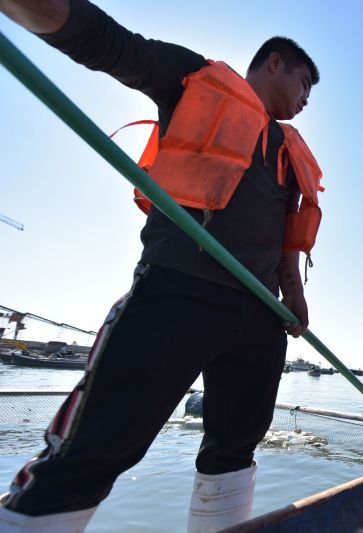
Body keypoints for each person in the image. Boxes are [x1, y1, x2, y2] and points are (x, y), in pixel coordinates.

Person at [0, 1, 322, 531]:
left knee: (235, 449)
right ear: (275, 63)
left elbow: (288, 233)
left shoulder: (290, 152)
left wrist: (295, 295)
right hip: (179, 291)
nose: (309, 99)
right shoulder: (194, 79)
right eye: (305, 82)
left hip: (261, 317)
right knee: (98, 445)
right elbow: (111, 44)